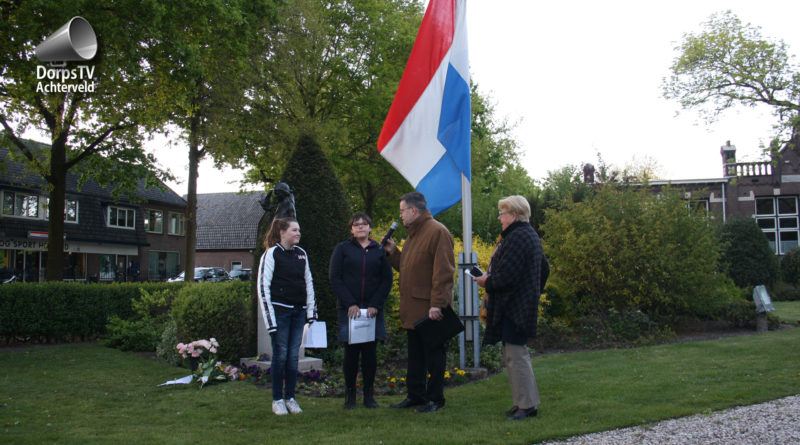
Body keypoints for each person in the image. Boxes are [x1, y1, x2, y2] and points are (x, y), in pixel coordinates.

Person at [473, 195, 545, 421]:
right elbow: (545, 267)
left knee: (516, 355)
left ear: (514, 215)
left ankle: (527, 406)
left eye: (502, 213)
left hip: (515, 306)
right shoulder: (525, 235)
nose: (499, 218)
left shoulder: (518, 237)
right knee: (513, 354)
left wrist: (487, 281)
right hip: (518, 303)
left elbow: (508, 276)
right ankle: (522, 402)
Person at [383, 192, 455, 413]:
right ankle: (416, 396)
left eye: (403, 211)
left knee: (433, 354)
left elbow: (443, 271)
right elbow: (408, 267)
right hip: (414, 307)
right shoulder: (414, 235)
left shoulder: (437, 232)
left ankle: (435, 399)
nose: (401, 216)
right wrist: (393, 253)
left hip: (429, 308)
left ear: (414, 211)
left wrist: (438, 304)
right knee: (416, 355)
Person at [329, 212, 393, 409]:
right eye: (356, 225)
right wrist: (351, 303)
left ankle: (368, 396)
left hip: (372, 311)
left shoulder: (379, 250)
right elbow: (335, 277)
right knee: (351, 354)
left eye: (364, 224)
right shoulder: (343, 249)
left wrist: (375, 304)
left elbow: (386, 280)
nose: (360, 227)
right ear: (351, 229)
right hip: (350, 311)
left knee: (370, 354)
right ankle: (350, 397)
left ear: (370, 228)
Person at [257, 217, 317, 416]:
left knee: (293, 357)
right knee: (280, 356)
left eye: (299, 230)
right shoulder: (271, 254)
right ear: (282, 232)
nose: (298, 233)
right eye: (294, 230)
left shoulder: (302, 254)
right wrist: (271, 322)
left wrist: (311, 314)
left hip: (298, 314)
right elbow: (263, 288)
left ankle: (291, 397)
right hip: (280, 314)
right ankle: (277, 399)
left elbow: (308, 283)